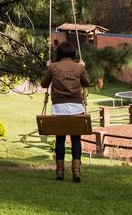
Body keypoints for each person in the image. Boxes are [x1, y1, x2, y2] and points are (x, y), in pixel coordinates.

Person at [40, 40, 89, 182]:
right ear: (73, 53)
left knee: (60, 139)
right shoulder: (79, 67)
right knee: (76, 139)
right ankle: (76, 171)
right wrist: (83, 68)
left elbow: (43, 84)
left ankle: (60, 171)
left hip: (58, 107)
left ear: (59, 54)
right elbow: (86, 83)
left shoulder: (53, 67)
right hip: (76, 107)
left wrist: (47, 68)